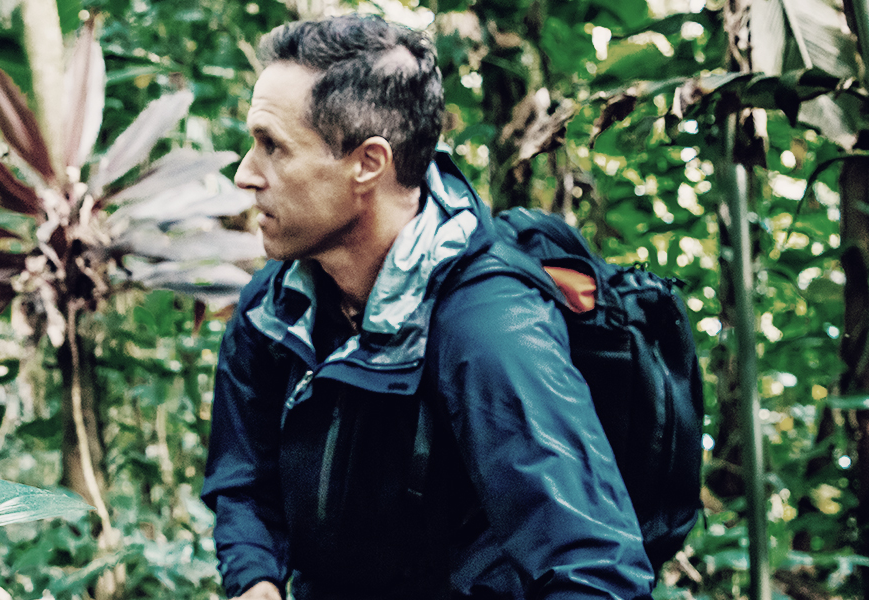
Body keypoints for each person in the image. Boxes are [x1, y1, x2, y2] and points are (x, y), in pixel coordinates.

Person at [201, 14, 656, 600]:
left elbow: (596, 572)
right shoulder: (274, 308)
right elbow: (243, 479)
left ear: (368, 163)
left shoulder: (489, 332)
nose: (245, 174)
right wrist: (255, 577)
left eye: (273, 147)